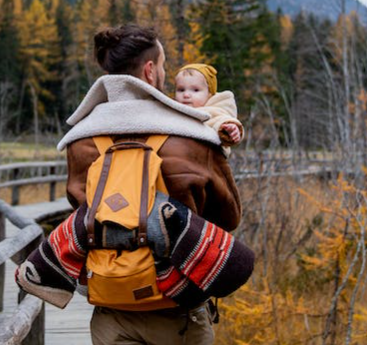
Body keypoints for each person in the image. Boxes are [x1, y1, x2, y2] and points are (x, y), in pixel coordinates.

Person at [56, 24, 244, 345]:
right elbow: (228, 219)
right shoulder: (195, 137)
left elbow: (83, 208)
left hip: (110, 304)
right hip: (178, 306)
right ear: (149, 70)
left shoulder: (81, 140)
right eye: (164, 66)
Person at [174, 63, 244, 157]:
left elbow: (219, 120)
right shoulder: (173, 113)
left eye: (195, 90)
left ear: (209, 94)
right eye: (181, 90)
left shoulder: (213, 111)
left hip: (209, 163)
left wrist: (230, 129)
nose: (186, 95)